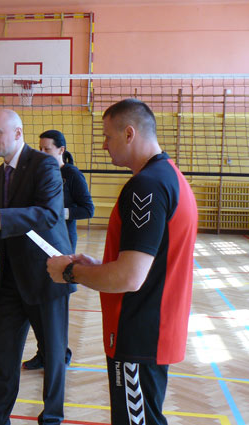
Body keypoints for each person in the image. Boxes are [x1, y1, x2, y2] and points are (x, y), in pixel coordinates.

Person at [47, 99, 198, 425]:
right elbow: (149, 262)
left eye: (108, 136)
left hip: (138, 332)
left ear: (129, 133)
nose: (104, 145)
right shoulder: (169, 177)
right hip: (152, 329)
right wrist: (97, 266)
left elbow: (131, 277)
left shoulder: (146, 186)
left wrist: (70, 272)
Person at [0, 109, 74, 425]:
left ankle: (51, 418)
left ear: (17, 133)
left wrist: (1, 217)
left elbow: (49, 215)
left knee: (53, 354)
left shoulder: (44, 165)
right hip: (11, 279)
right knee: (3, 353)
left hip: (47, 276)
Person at [23, 130, 94, 371]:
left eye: (47, 149)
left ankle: (62, 354)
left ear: (61, 150)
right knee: (38, 302)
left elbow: (88, 209)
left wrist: (57, 212)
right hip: (39, 242)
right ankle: (44, 353)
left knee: (55, 303)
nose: (42, 153)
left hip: (62, 243)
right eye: (40, 149)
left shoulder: (71, 174)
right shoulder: (38, 172)